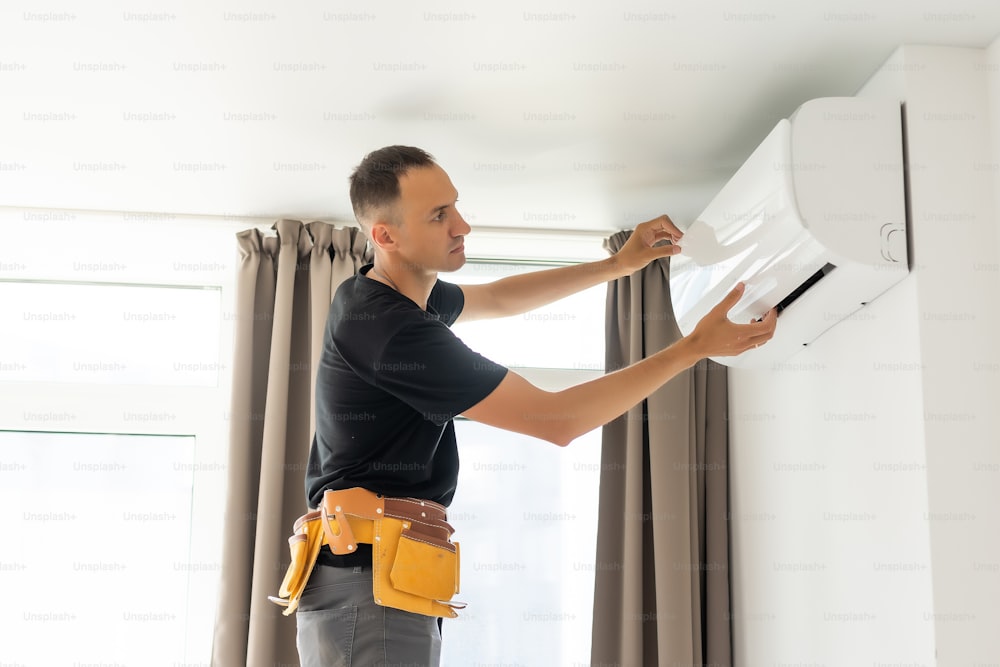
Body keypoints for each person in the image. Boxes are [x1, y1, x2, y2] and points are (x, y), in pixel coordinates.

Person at [295, 145, 777, 666]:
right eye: (439, 216)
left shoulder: (394, 293)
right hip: (365, 583)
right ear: (385, 236)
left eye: (455, 205)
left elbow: (499, 298)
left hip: (385, 573)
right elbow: (558, 421)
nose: (463, 226)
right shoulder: (391, 331)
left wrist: (618, 265)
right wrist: (692, 349)